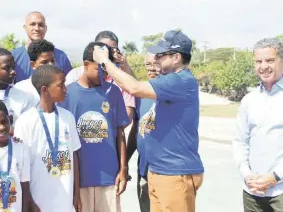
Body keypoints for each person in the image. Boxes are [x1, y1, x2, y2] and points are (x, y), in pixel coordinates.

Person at [92, 30, 204, 212]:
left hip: (174, 174)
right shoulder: (170, 82)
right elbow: (140, 87)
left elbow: (134, 88)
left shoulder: (181, 81)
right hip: (159, 172)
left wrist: (104, 62)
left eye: (160, 55)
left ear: (176, 57)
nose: (156, 61)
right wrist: (124, 64)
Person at [59, 42, 129, 212]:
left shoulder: (113, 92)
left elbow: (120, 133)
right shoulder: (67, 95)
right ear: (86, 65)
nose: (105, 72)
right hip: (79, 180)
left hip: (109, 178)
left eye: (109, 67)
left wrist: (123, 169)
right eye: (101, 67)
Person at [14, 65, 81, 212]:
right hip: (39, 201)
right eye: (61, 85)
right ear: (45, 90)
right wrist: (29, 201)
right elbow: (20, 164)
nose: (65, 89)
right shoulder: (25, 121)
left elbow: (74, 154)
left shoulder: (67, 117)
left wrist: (76, 193)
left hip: (65, 201)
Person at [233, 38, 283, 212]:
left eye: (270, 60)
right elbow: (240, 141)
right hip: (252, 193)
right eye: (258, 61)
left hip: (280, 192)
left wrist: (276, 177)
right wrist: (246, 174)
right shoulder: (249, 100)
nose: (264, 66)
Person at [65, 31, 136, 123]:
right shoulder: (74, 75)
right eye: (103, 48)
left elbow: (128, 113)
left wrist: (110, 131)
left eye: (112, 49)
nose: (107, 52)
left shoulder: (122, 78)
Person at [126, 52, 161, 212]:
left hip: (165, 173)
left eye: (156, 63)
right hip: (144, 171)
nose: (152, 68)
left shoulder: (171, 93)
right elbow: (136, 130)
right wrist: (124, 161)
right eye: (148, 64)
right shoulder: (141, 94)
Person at [12, 11, 72, 83]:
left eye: (41, 25)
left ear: (45, 28)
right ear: (25, 28)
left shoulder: (61, 56)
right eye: (32, 24)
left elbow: (68, 85)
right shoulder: (13, 57)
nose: (37, 28)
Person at [13, 39, 56, 107]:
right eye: (44, 62)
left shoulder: (60, 89)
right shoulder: (19, 89)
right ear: (33, 65)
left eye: (53, 60)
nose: (51, 65)